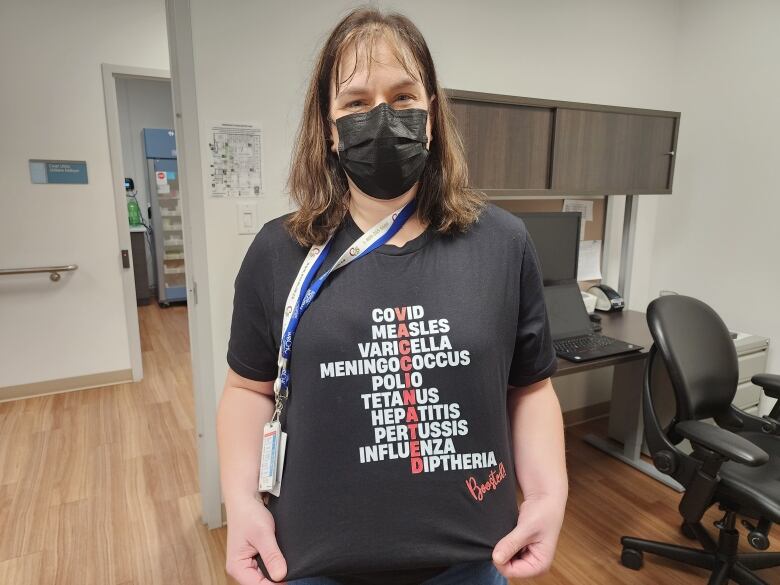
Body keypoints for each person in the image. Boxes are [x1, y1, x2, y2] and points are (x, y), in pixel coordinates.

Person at [217, 6, 568, 585]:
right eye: (355, 102)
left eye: (405, 97)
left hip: (471, 558)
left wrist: (549, 494)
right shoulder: (279, 251)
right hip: (311, 561)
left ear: (432, 116)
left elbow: (531, 388)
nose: (382, 116)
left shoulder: (503, 242)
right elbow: (247, 390)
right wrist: (242, 504)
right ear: (329, 129)